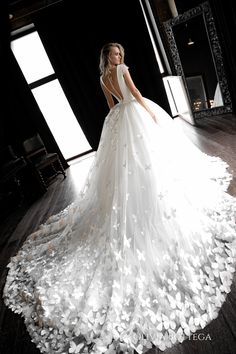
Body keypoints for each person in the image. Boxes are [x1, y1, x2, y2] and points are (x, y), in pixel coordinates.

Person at [3, 42, 236, 354]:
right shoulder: (122, 71)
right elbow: (134, 95)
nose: (118, 58)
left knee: (132, 167)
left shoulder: (103, 79)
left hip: (116, 121)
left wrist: (120, 121)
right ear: (108, 57)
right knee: (144, 163)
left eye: (119, 54)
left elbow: (111, 105)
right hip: (133, 116)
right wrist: (149, 113)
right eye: (114, 54)